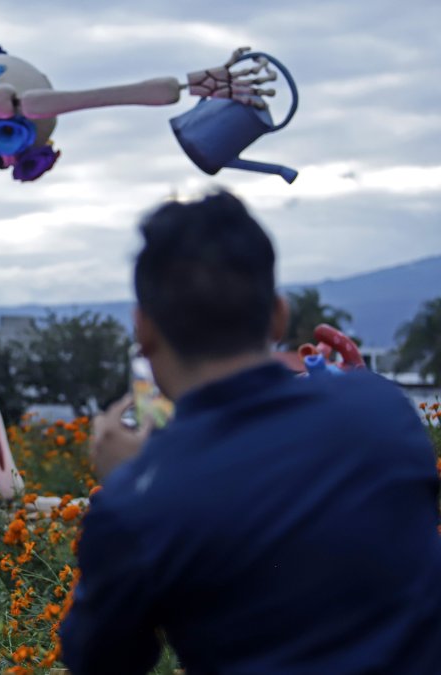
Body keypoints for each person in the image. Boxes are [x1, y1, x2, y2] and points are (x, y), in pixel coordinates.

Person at [59, 190, 441, 674]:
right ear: (278, 315)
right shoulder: (383, 410)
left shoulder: (138, 506)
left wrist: (131, 483)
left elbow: (98, 661)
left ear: (144, 330)